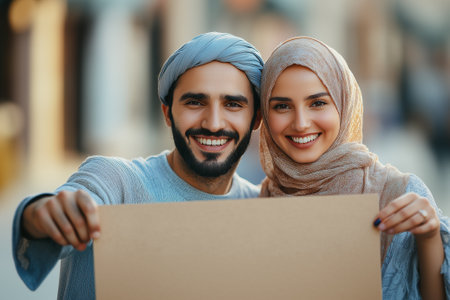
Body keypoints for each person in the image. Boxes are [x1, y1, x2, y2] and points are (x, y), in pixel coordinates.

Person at [12, 32, 264, 300]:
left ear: (256, 118)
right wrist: (43, 212)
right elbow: (71, 202)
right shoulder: (117, 181)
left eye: (233, 104)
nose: (213, 123)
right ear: (167, 113)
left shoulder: (261, 208)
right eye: (195, 102)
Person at [258, 36, 450, 300]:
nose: (301, 123)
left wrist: (429, 237)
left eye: (318, 103)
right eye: (282, 106)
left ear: (344, 104)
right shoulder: (260, 200)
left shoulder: (397, 194)